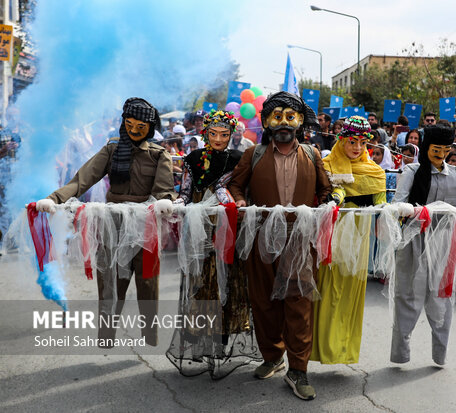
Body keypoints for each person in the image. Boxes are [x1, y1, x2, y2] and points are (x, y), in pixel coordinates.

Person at [35, 97, 176, 346]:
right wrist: (54, 199)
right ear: (124, 123)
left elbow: (165, 189)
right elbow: (82, 180)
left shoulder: (159, 155)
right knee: (110, 281)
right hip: (112, 224)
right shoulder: (111, 150)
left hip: (146, 225)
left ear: (150, 128)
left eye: (140, 126)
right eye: (129, 123)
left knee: (147, 283)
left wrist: (165, 200)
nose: (133, 130)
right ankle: (107, 337)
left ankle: (150, 337)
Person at [228, 91, 331, 400]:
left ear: (299, 121)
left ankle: (298, 370)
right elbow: (234, 184)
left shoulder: (313, 154)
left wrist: (330, 201)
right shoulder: (254, 155)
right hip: (261, 234)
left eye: (290, 116)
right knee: (263, 300)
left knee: (298, 301)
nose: (284, 122)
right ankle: (272, 356)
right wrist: (241, 199)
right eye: (277, 116)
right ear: (266, 122)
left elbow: (325, 189)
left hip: (300, 237)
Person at [391, 126, 456, 366]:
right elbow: (397, 202)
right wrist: (407, 209)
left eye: (445, 150)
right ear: (426, 147)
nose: (440, 154)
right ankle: (400, 353)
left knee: (442, 298)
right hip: (414, 240)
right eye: (435, 149)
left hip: (446, 243)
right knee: (408, 295)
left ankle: (439, 354)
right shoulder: (412, 170)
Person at [166, 109, 261, 375]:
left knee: (228, 280)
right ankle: (201, 338)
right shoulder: (194, 158)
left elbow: (244, 191)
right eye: (213, 134)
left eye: (224, 134)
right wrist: (176, 204)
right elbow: (185, 192)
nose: (219, 139)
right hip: (199, 229)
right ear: (205, 133)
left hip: (228, 227)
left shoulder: (239, 158)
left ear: (232, 135)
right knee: (201, 281)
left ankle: (223, 338)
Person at [311, 115, 386, 365]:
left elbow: (380, 202)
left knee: (351, 289)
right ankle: (322, 348)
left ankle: (344, 350)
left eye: (363, 144)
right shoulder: (328, 164)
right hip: (334, 230)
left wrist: (389, 211)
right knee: (329, 286)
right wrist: (335, 198)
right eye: (352, 142)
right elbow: (327, 193)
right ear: (341, 140)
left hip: (359, 233)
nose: (357, 148)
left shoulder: (375, 172)